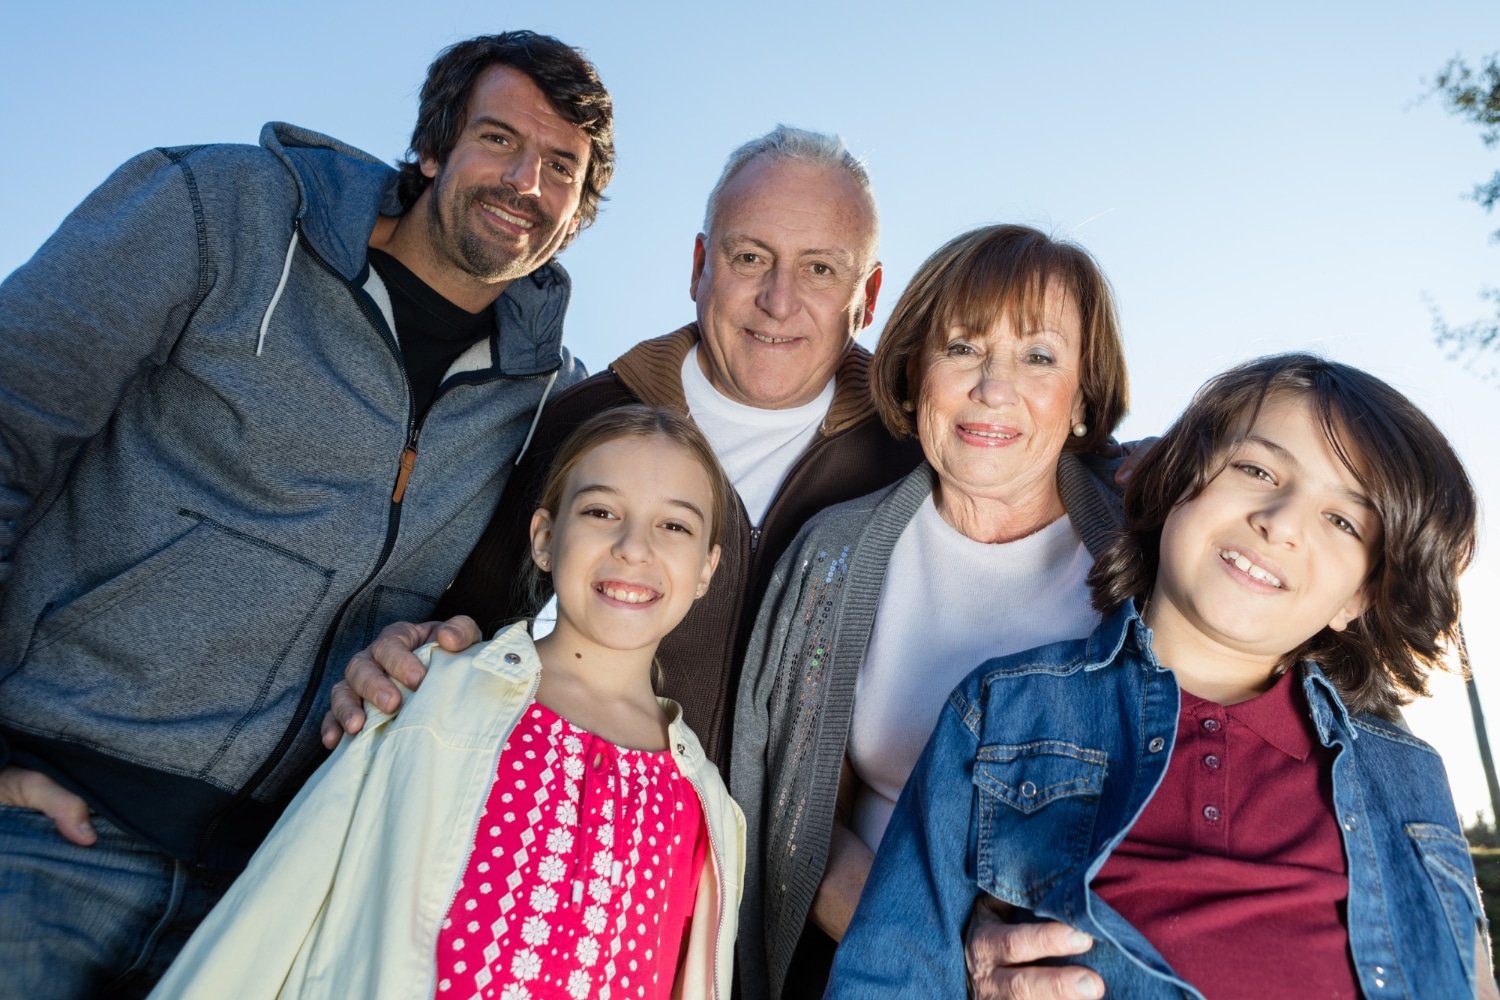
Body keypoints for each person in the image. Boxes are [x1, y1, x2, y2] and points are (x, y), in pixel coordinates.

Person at [0, 31, 612, 995]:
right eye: (498, 139)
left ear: (579, 213)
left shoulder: (544, 402)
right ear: (432, 147)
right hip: (47, 823)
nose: (524, 181)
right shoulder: (221, 213)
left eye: (561, 169)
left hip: (273, 890)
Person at [827, 355, 1497, 999]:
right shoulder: (1005, 711)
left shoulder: (1405, 772)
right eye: (1259, 471)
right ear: (1180, 480)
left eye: (1343, 520)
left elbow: (1467, 976)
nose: (1281, 523)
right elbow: (891, 969)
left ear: (1361, 598)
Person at [323, 126, 924, 769]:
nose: (779, 301)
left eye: (821, 269)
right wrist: (410, 661)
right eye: (750, 257)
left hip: (829, 867)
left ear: (867, 296)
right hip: (620, 839)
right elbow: (478, 627)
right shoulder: (592, 418)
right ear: (699, 267)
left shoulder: (912, 451)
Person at [149, 406, 744, 1000]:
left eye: (674, 526)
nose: (633, 547)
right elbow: (276, 907)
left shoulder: (707, 802)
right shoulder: (431, 691)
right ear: (544, 538)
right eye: (600, 511)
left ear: (706, 570)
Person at [729, 224, 1130, 1000]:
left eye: (1038, 357)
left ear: (1083, 397)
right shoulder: (833, 558)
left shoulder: (1145, 562)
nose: (993, 387)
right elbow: (794, 827)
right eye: (963, 348)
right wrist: (951, 953)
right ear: (915, 375)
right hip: (874, 970)